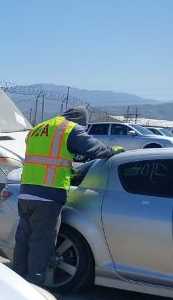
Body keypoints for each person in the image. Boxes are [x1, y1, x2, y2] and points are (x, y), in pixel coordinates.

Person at [12, 107, 123, 286]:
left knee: (23, 241)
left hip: (25, 193)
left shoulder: (39, 128)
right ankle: (34, 288)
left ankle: (15, 282)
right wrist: (111, 151)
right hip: (48, 195)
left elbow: (45, 159)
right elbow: (94, 149)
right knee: (41, 245)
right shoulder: (69, 128)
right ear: (79, 121)